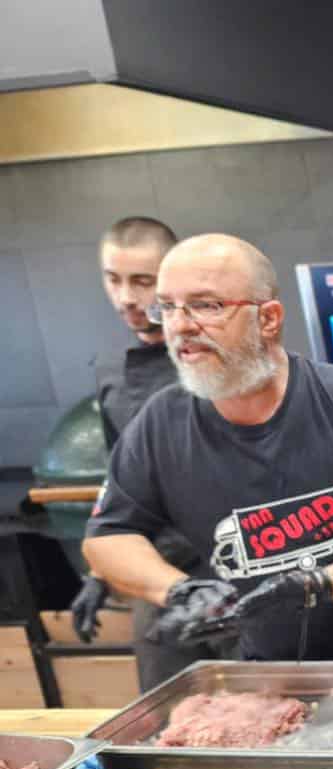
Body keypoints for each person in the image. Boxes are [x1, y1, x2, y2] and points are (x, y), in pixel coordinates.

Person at [82, 234, 333, 662]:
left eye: (207, 306)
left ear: (269, 319)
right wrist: (180, 590)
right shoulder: (159, 423)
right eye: (167, 307)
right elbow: (108, 536)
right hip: (265, 675)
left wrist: (317, 584)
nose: (180, 325)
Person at [69, 217, 220, 688]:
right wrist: (101, 570)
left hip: (233, 567)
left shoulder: (222, 361)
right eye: (113, 280)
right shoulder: (111, 372)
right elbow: (121, 482)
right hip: (157, 579)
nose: (126, 298)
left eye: (141, 281)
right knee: (171, 708)